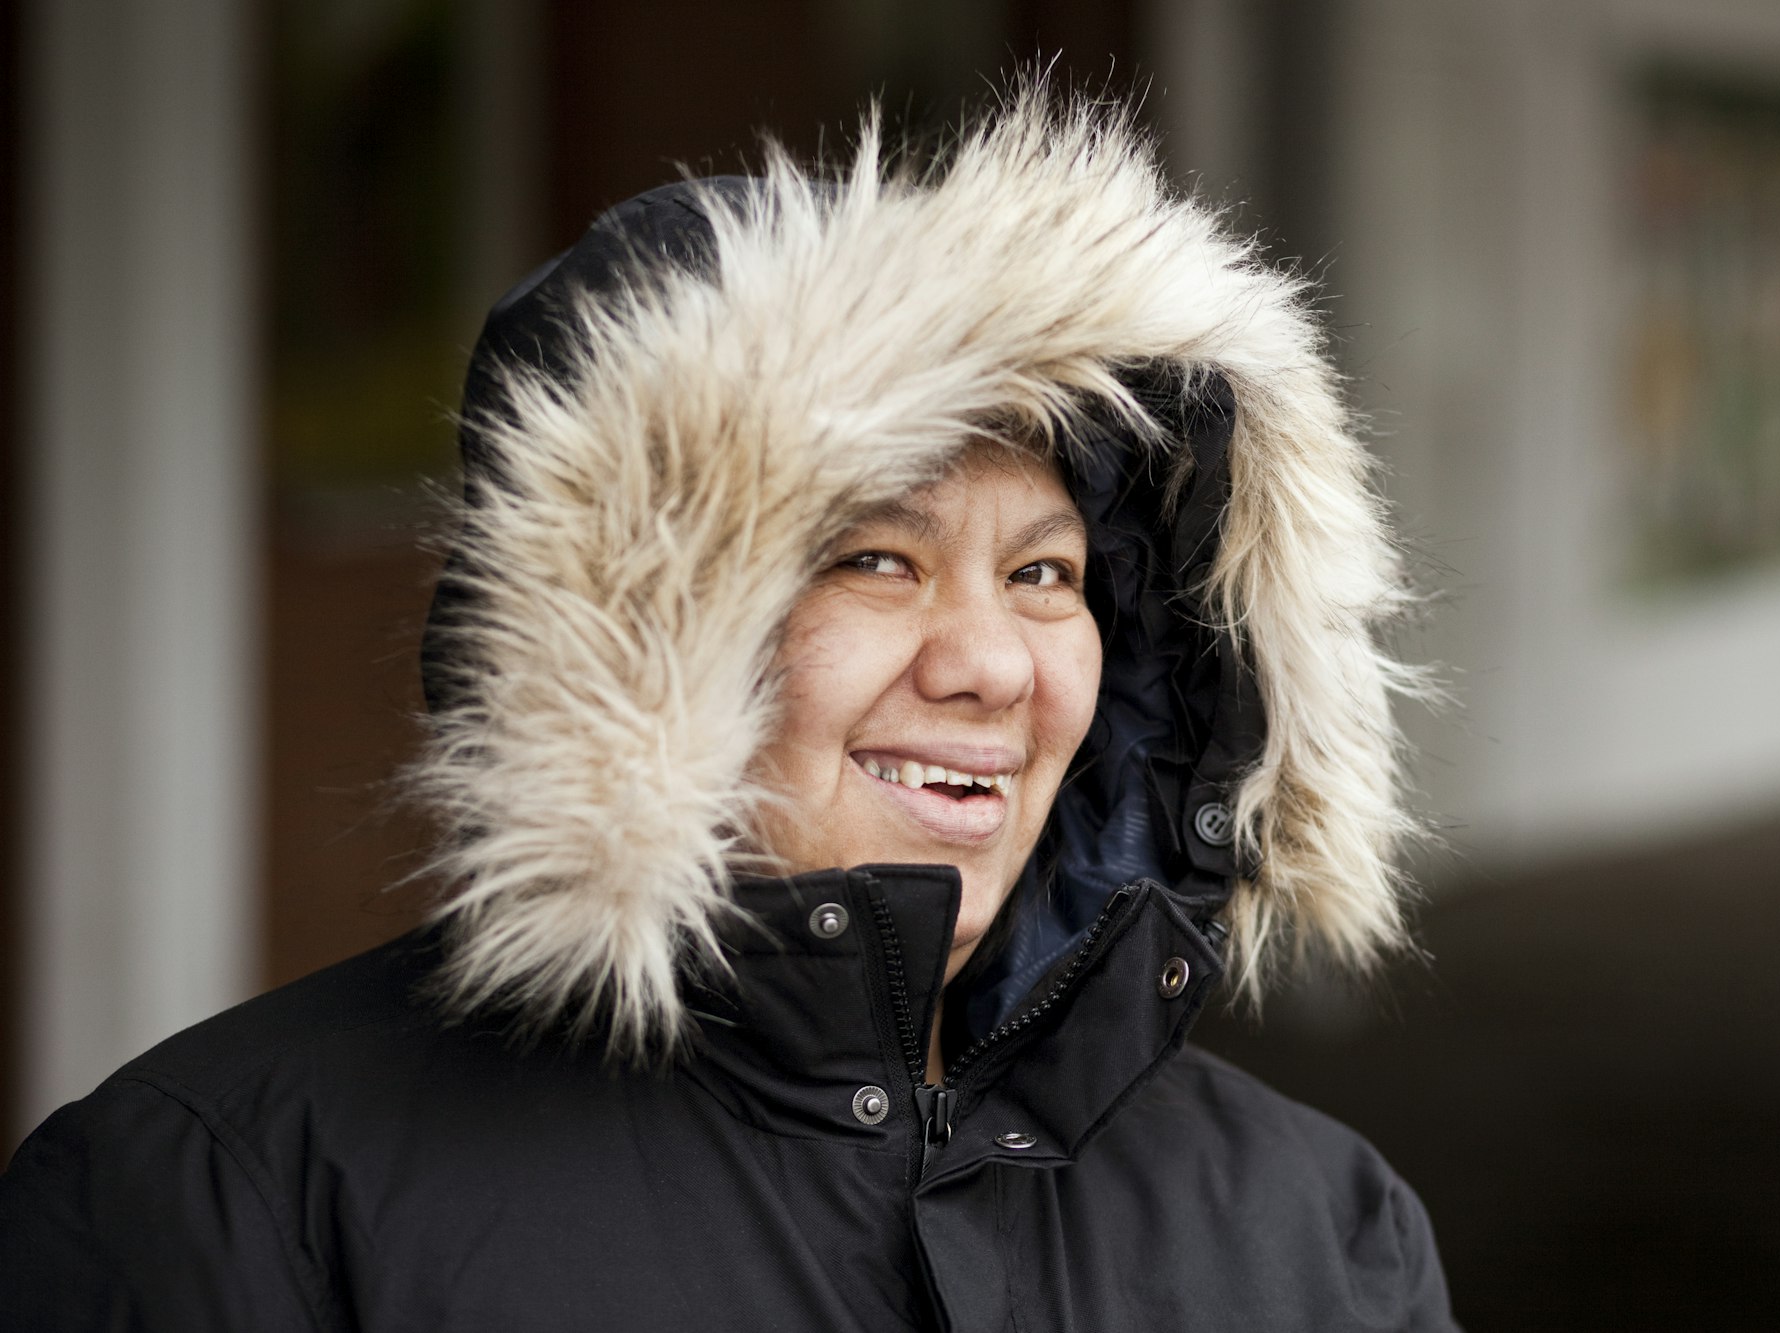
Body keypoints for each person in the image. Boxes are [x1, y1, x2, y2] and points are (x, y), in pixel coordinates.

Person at [0, 92, 1457, 1330]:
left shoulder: (1320, 1234)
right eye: (876, 559)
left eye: (1044, 574)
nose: (994, 665)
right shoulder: (228, 1198)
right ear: (636, 637)